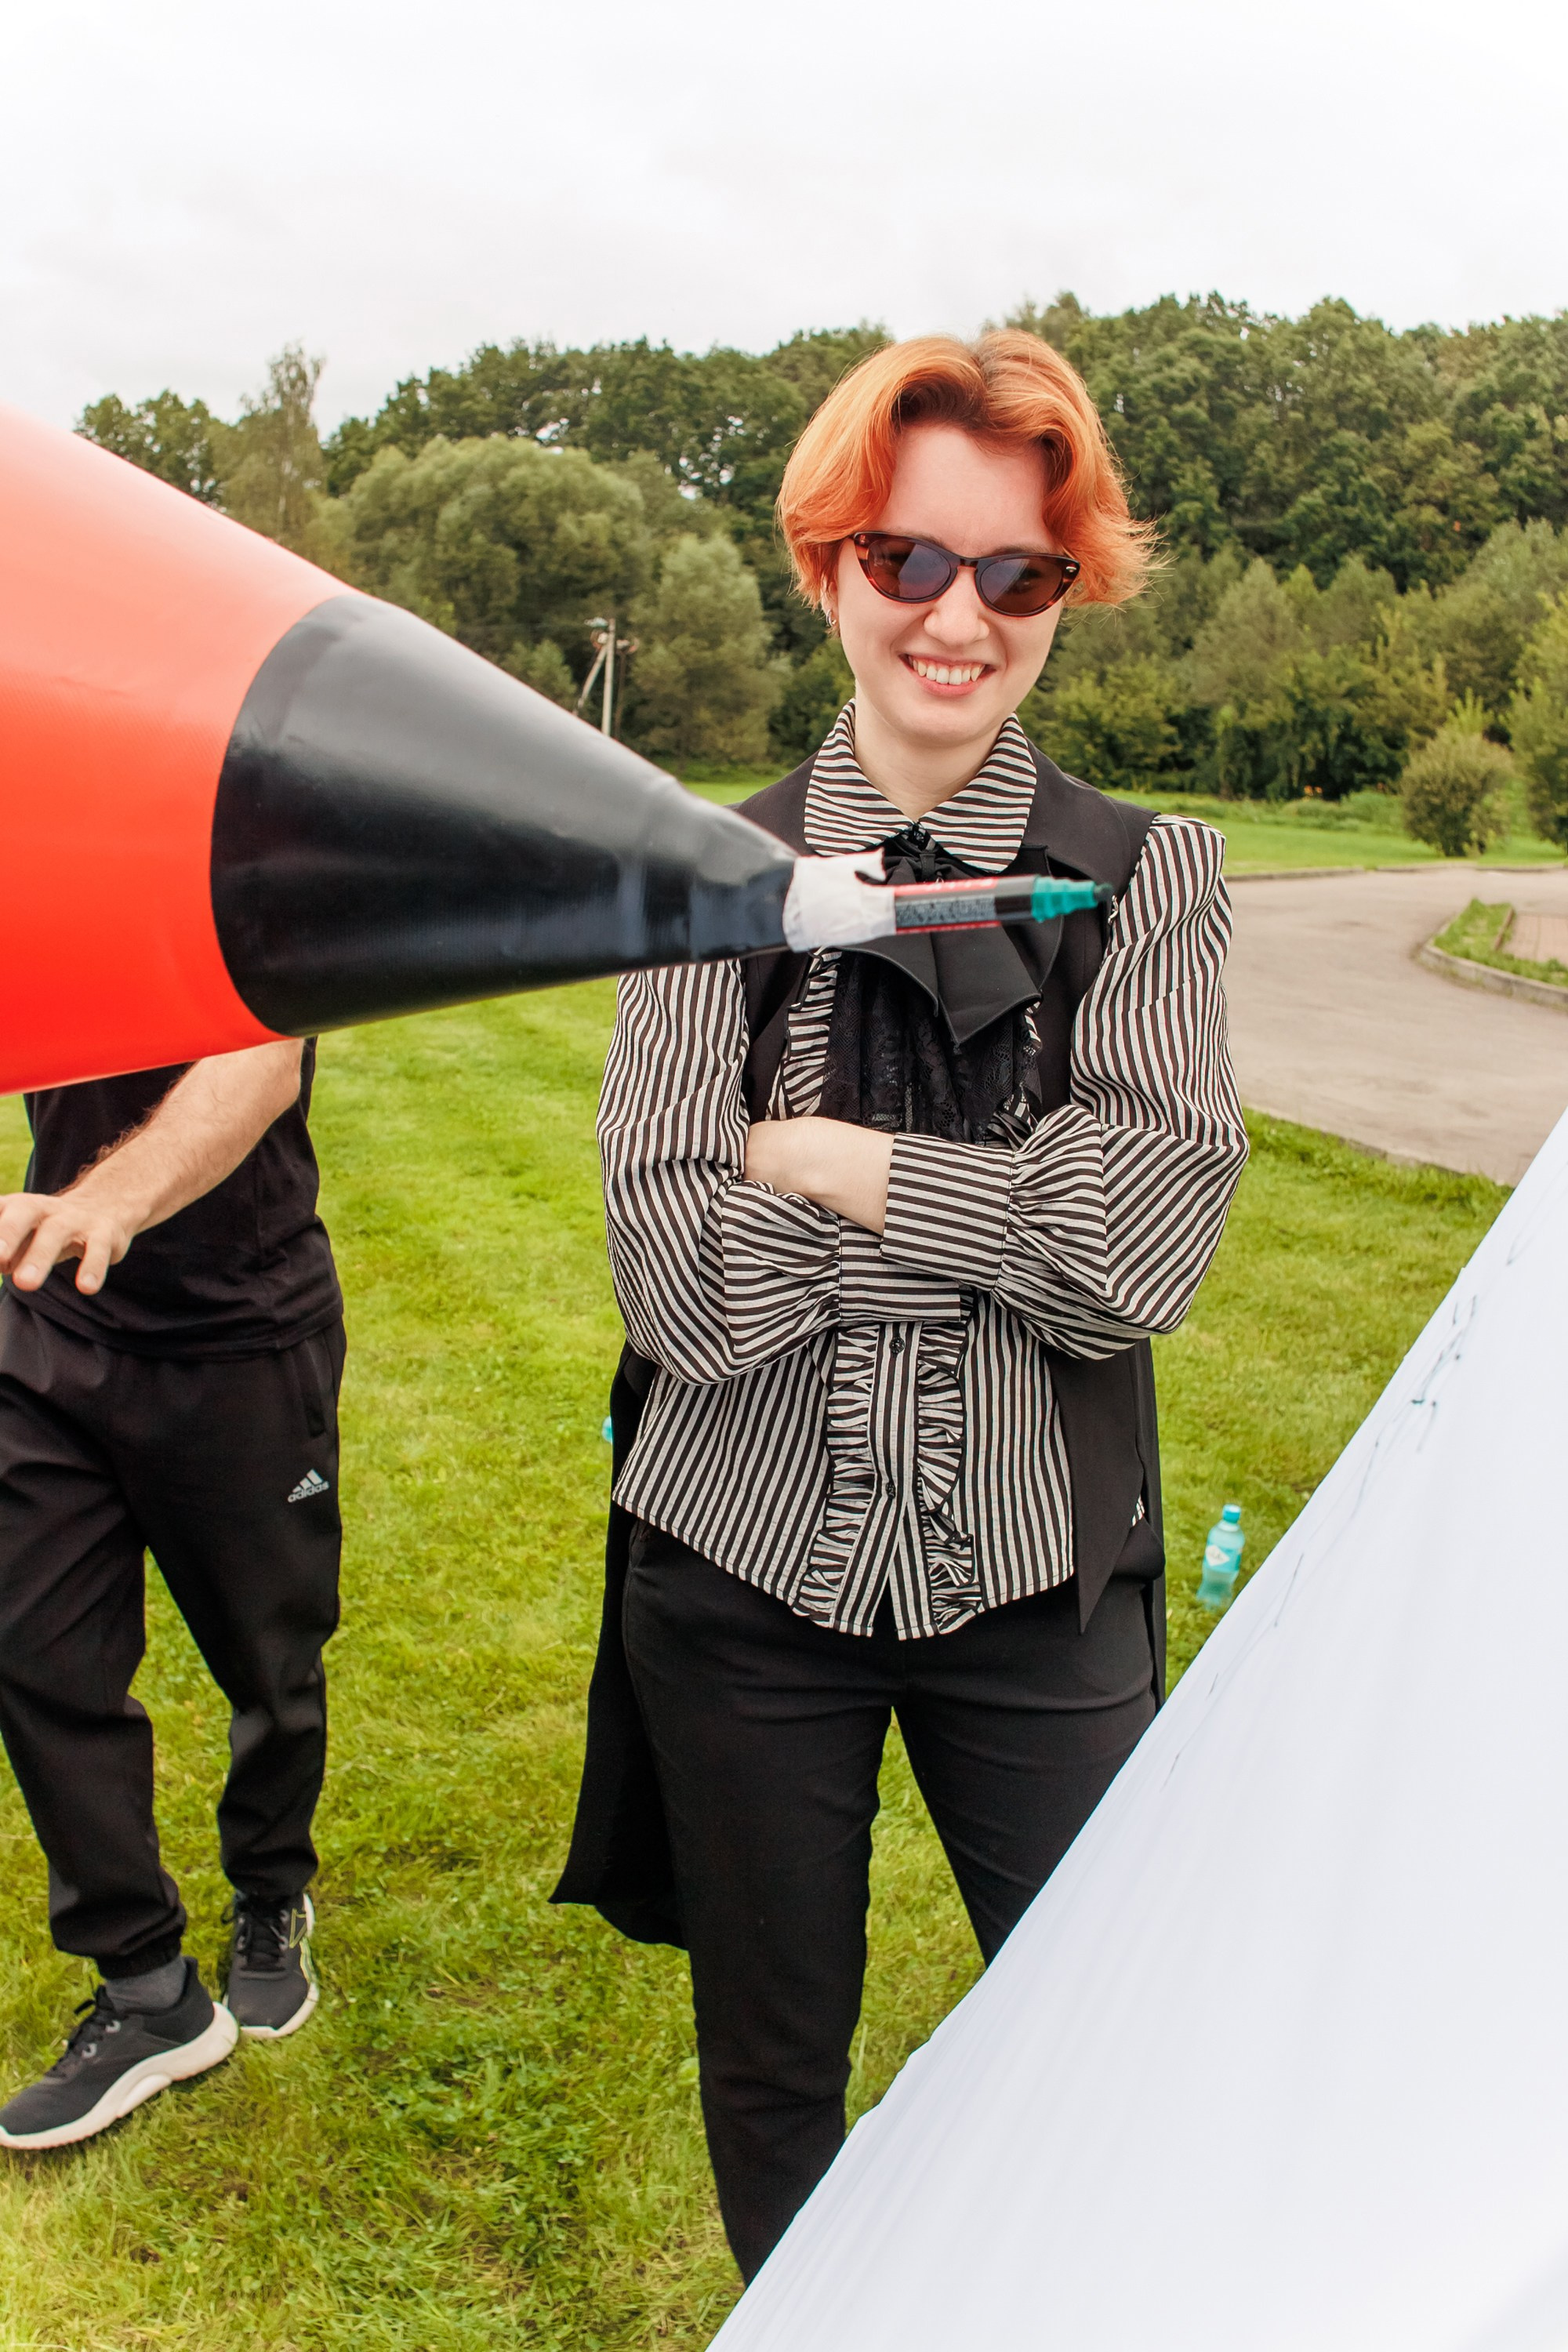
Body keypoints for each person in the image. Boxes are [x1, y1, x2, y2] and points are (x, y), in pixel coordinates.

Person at [557, 331, 1250, 2278]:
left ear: (1066, 592)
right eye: (910, 562)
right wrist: (1007, 1209)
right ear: (830, 565)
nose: (959, 617)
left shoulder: (1149, 878)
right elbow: (684, 1287)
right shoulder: (694, 873)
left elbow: (1138, 1255)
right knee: (775, 2067)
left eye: (1015, 573)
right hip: (740, 1575)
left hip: (1036, 1580)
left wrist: (828, 1159)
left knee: (1107, 2028)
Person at [0, 1041, 344, 2151]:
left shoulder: (250, 872)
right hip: (56, 1323)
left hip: (243, 1337)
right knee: (34, 1650)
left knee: (269, 1658)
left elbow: (258, 1065)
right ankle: (149, 1991)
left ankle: (270, 1890)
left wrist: (108, 1199)